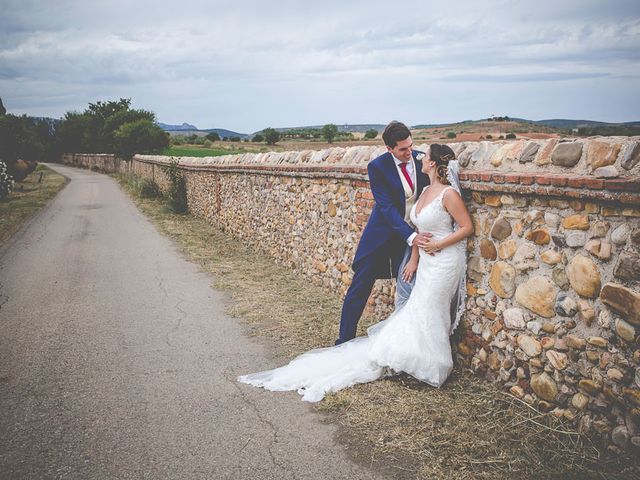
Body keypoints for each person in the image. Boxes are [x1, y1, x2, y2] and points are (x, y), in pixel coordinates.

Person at [238, 144, 474, 402]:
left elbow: (466, 227)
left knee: (430, 307)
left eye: (423, 154)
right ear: (391, 147)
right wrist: (415, 258)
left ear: (432, 164)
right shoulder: (421, 186)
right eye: (407, 147)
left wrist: (437, 245)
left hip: (444, 259)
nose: (417, 155)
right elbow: (407, 221)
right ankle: (383, 347)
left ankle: (428, 360)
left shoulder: (448, 194)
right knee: (413, 304)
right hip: (417, 252)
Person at [336, 121, 431, 346]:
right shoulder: (377, 167)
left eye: (411, 146)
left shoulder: (421, 160)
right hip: (381, 235)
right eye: (403, 149)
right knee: (361, 285)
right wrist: (411, 236)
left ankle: (405, 343)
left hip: (412, 238)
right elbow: (386, 207)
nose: (410, 152)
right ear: (389, 149)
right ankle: (344, 339)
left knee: (409, 284)